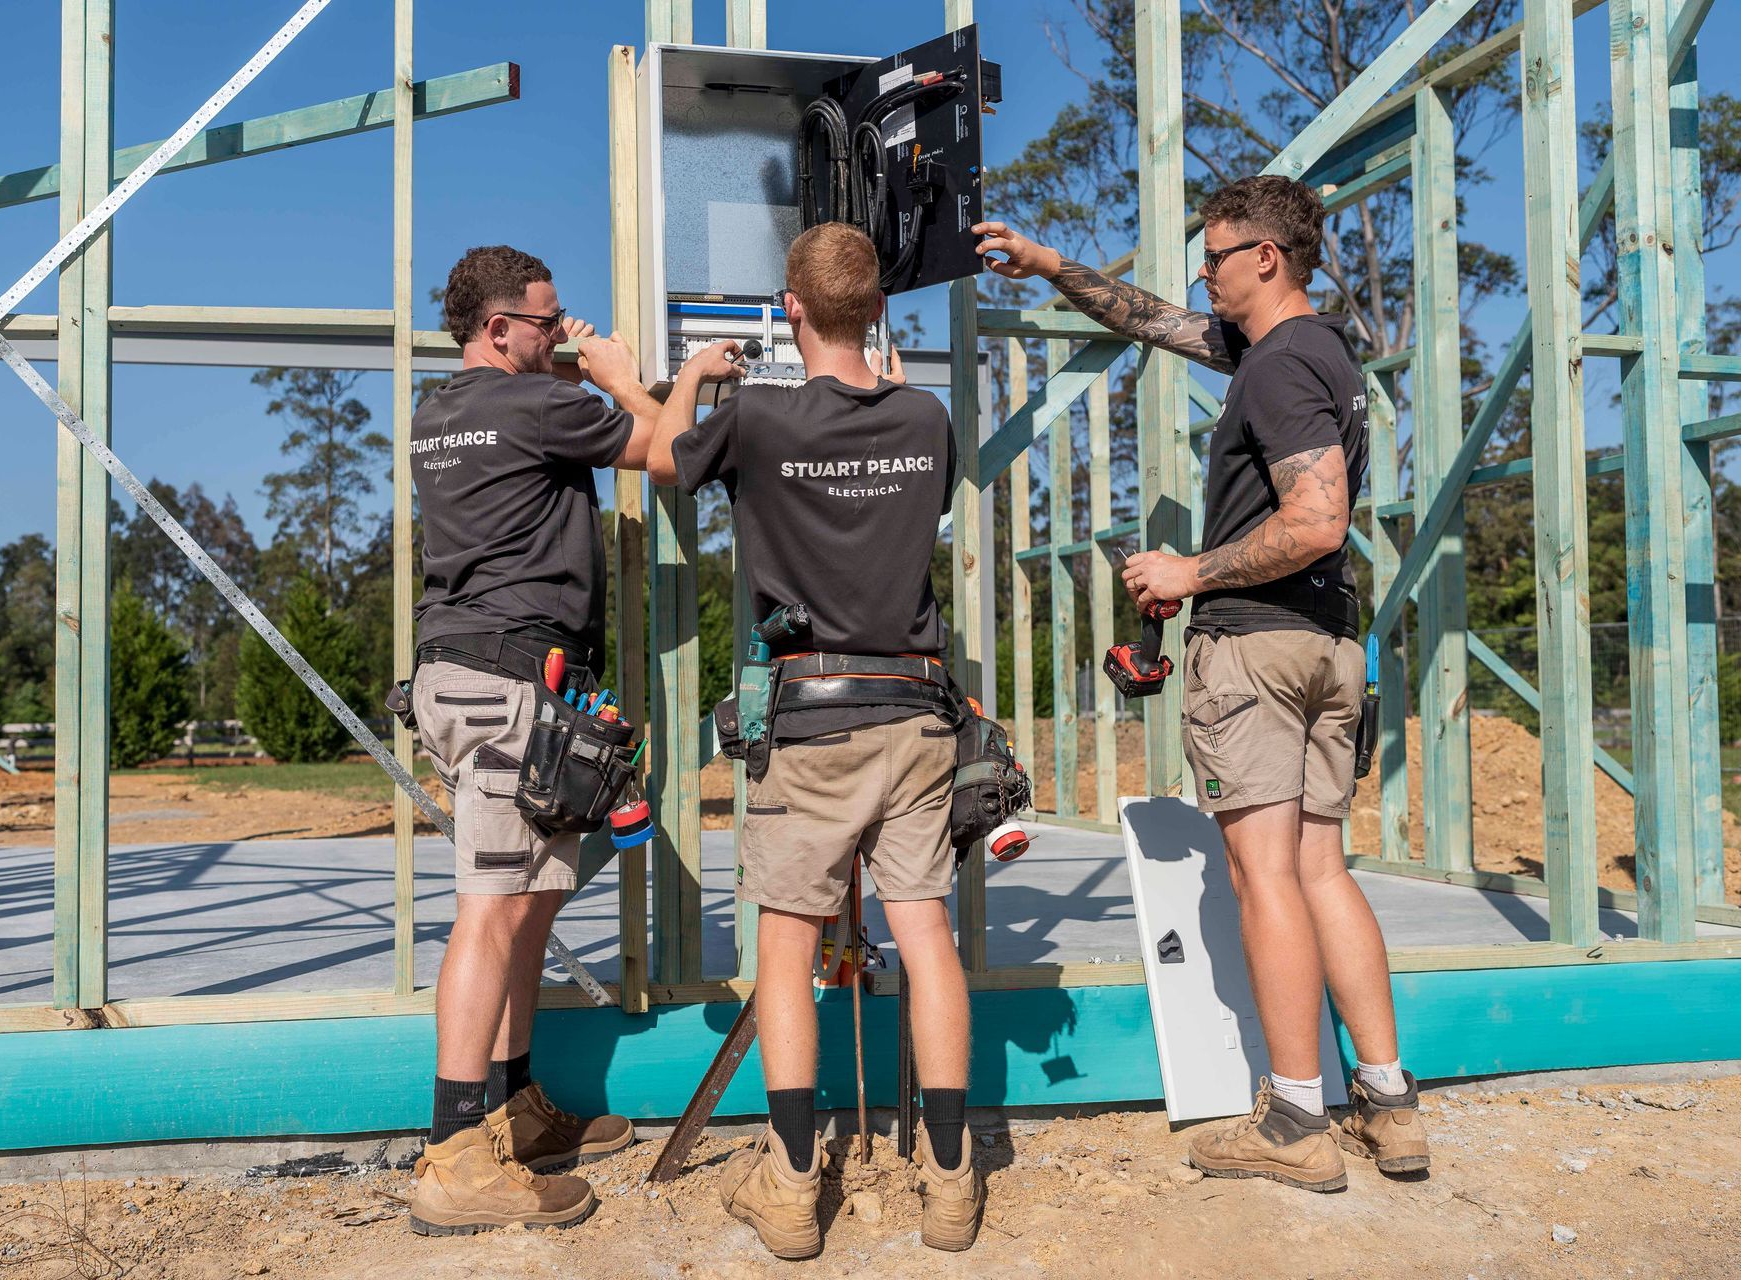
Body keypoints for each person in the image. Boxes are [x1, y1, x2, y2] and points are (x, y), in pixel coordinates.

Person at [973, 177, 1429, 1193]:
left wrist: (1192, 570)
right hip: (1325, 644)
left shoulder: (1274, 371)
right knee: (1322, 869)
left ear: (1265, 257)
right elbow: (1157, 320)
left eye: (1216, 255)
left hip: (1258, 651)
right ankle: (1389, 1103)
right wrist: (1049, 264)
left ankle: (1299, 1118)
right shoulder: (1309, 352)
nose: (1202, 274)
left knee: (1266, 876)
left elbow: (1316, 519)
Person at [648, 223, 984, 1260]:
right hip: (917, 715)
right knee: (928, 936)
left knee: (787, 952)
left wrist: (691, 378)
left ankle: (794, 1188)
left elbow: (663, 461)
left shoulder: (752, 415)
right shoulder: (927, 417)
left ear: (790, 308)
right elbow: (904, 475)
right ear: (878, 311)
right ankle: (952, 1181)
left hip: (807, 722)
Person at [405, 244, 742, 1236]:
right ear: (500, 328)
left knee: (532, 897)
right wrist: (647, 379)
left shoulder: (443, 409)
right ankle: (454, 1152)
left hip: (472, 672)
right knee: (494, 907)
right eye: (548, 323)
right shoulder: (531, 404)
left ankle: (514, 1105)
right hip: (510, 679)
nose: (562, 334)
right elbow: (670, 455)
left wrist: (573, 368)